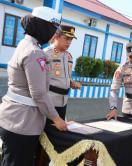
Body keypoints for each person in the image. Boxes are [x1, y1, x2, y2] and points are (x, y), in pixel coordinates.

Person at [0, 7, 67, 166]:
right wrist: (56, 118)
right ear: (43, 27)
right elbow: (39, 94)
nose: (52, 35)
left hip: (12, 119)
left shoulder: (24, 44)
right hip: (23, 123)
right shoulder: (34, 52)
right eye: (52, 29)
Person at [44, 24, 81, 121]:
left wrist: (71, 82)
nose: (69, 42)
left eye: (71, 40)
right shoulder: (46, 54)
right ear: (57, 36)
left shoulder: (68, 56)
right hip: (49, 102)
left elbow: (66, 76)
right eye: (66, 38)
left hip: (63, 102)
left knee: (59, 133)